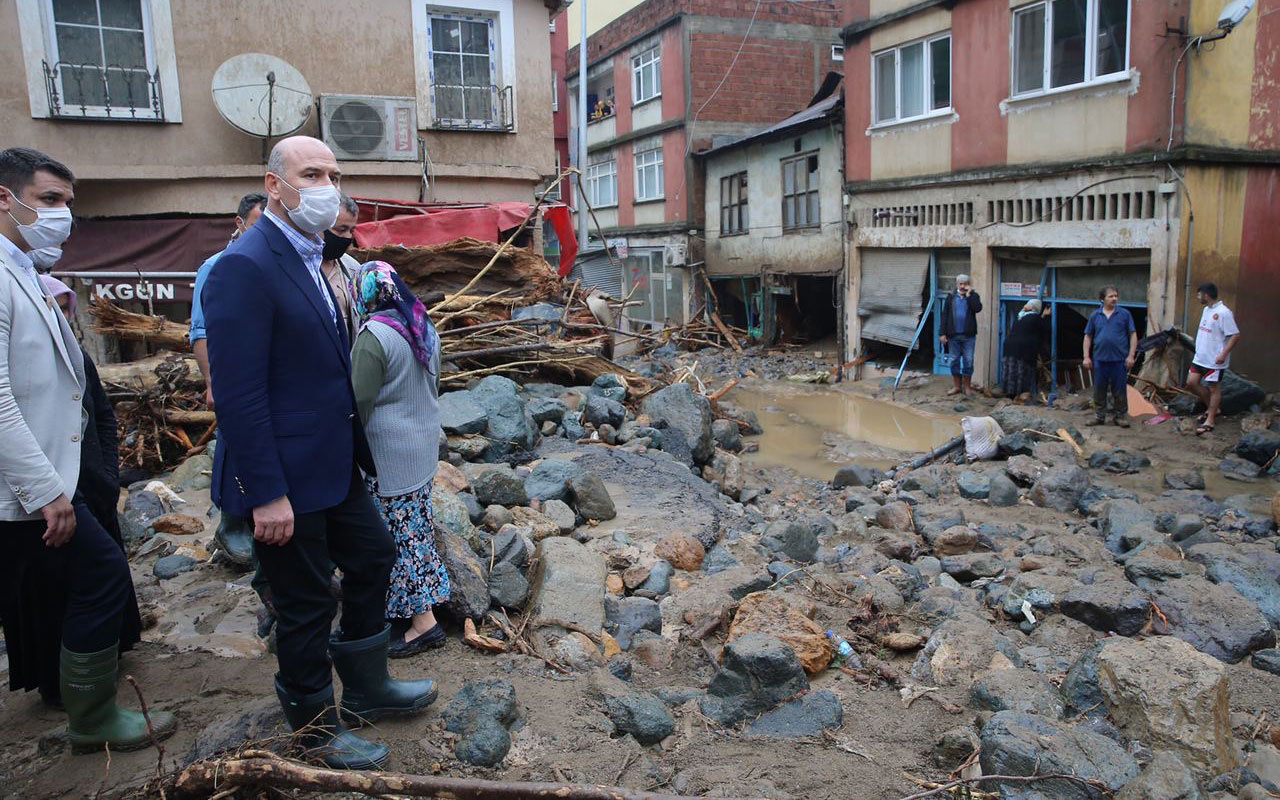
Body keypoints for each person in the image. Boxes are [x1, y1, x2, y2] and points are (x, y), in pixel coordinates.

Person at [203, 135, 436, 771]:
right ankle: (315, 731)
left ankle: (367, 684)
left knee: (374, 556)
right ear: (275, 185)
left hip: (334, 464)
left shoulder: (314, 256)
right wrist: (266, 492)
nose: (327, 186)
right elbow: (240, 396)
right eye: (312, 173)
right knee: (304, 605)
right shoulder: (245, 266)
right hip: (285, 476)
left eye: (333, 173)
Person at [0, 147, 175, 752]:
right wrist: (48, 489)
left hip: (56, 475)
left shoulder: (24, 272)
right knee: (98, 577)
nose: (63, 215)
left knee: (88, 580)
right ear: (5, 198)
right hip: (27, 486)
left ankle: (87, 710)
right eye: (50, 200)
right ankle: (91, 716)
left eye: (68, 203)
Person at [42, 275, 144, 672]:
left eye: (68, 308)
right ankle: (69, 682)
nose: (65, 315)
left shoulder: (77, 356)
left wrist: (107, 470)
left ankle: (111, 655)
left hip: (93, 480)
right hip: (51, 488)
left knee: (106, 570)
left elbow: (102, 414)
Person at [349, 262, 452, 658]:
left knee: (398, 537)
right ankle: (425, 602)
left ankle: (422, 622)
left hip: (388, 455)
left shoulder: (374, 336)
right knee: (417, 529)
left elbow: (358, 402)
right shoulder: (422, 324)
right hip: (423, 446)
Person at [190, 193, 267, 410]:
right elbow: (200, 329)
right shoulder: (214, 267)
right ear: (239, 224)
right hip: (235, 380)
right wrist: (212, 383)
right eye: (256, 226)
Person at [1186, 282, 1241, 435]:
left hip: (1215, 360)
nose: (1198, 297)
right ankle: (1213, 408)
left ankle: (1210, 419)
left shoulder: (1224, 313)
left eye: (1199, 294)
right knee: (1191, 383)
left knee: (1214, 388)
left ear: (1206, 295)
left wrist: (1223, 354)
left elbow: (1235, 335)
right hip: (1200, 357)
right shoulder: (1206, 310)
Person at [1082, 285, 1137, 428]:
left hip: (1119, 360)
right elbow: (1088, 336)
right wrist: (1086, 357)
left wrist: (1131, 356)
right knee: (1099, 389)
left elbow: (1133, 335)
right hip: (1100, 359)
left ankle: (1120, 417)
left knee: (1119, 389)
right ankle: (1099, 416)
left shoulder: (1124, 314)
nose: (1114, 298)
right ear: (1102, 299)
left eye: (1116, 296)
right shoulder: (1095, 316)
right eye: (1110, 296)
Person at [322, 193, 362, 344]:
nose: (346, 237)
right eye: (341, 229)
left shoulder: (352, 268)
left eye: (351, 231)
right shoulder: (298, 267)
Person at [939, 273, 983, 396]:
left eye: (965, 284)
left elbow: (977, 308)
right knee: (954, 360)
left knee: (968, 360)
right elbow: (945, 316)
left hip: (968, 336)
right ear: (957, 284)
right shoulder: (951, 297)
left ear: (969, 285)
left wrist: (970, 295)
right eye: (961, 284)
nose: (963, 286)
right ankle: (957, 386)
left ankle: (967, 387)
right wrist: (942, 333)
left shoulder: (974, 296)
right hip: (953, 335)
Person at [1001, 299, 1049, 404]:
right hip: (1022, 350)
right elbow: (1045, 329)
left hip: (1009, 347)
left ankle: (1009, 396)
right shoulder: (1035, 318)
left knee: (1010, 370)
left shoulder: (1020, 317)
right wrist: (1044, 315)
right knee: (1021, 372)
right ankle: (1020, 396)